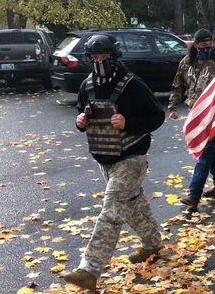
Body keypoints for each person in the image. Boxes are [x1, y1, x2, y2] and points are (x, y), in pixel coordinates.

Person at [63, 35, 164, 291]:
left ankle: (89, 269)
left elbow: (157, 116)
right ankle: (153, 244)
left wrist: (129, 123)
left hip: (131, 158)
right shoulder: (87, 86)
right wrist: (80, 123)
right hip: (105, 159)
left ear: (114, 57)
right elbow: (81, 111)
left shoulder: (132, 85)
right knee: (134, 205)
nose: (99, 62)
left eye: (104, 58)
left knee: (111, 210)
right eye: (95, 58)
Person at [172, 29, 215, 210]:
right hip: (194, 111)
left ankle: (194, 194)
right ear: (195, 45)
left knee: (204, 151)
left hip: (213, 113)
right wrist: (173, 106)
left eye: (210, 44)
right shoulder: (187, 62)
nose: (207, 47)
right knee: (210, 152)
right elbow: (178, 84)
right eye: (203, 45)